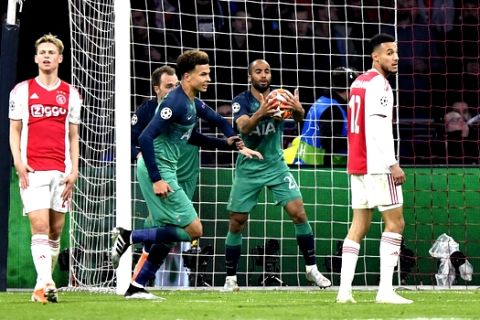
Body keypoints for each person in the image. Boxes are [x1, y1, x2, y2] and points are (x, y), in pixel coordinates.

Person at [112, 50, 262, 299]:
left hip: (167, 169)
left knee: (169, 232)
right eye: (203, 74)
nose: (208, 78)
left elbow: (215, 122)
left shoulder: (191, 102)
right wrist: (157, 179)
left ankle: (136, 286)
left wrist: (233, 143)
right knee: (194, 230)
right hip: (158, 170)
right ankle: (129, 236)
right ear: (187, 77)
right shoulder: (175, 102)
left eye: (209, 73)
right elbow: (145, 137)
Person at [222, 59, 332, 291]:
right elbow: (243, 128)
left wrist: (299, 110)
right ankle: (231, 278)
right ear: (249, 76)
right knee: (237, 222)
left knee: (298, 212)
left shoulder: (281, 98)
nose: (263, 75)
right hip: (249, 167)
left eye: (267, 71)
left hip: (276, 165)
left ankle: (311, 269)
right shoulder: (241, 101)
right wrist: (260, 113)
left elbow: (300, 121)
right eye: (258, 72)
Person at [336, 33, 412, 304]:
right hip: (378, 164)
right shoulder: (379, 85)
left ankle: (344, 292)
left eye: (396, 53)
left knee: (358, 225)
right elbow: (378, 128)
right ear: (375, 56)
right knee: (395, 223)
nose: (395, 58)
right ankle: (385, 291)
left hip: (357, 163)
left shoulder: (359, 82)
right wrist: (393, 164)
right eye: (389, 53)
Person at [9, 34, 82, 304]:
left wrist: (74, 169)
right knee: (38, 226)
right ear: (36, 58)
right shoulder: (21, 91)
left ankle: (41, 287)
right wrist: (18, 161)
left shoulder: (71, 93)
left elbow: (74, 135)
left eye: (52, 52)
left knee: (55, 231)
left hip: (61, 172)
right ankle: (48, 281)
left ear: (60, 58)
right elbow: (14, 129)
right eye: (43, 52)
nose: (47, 56)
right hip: (33, 170)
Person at [285, 66, 359, 166]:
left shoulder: (324, 101)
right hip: (321, 170)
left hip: (307, 165)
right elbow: (328, 140)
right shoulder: (333, 109)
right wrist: (357, 140)